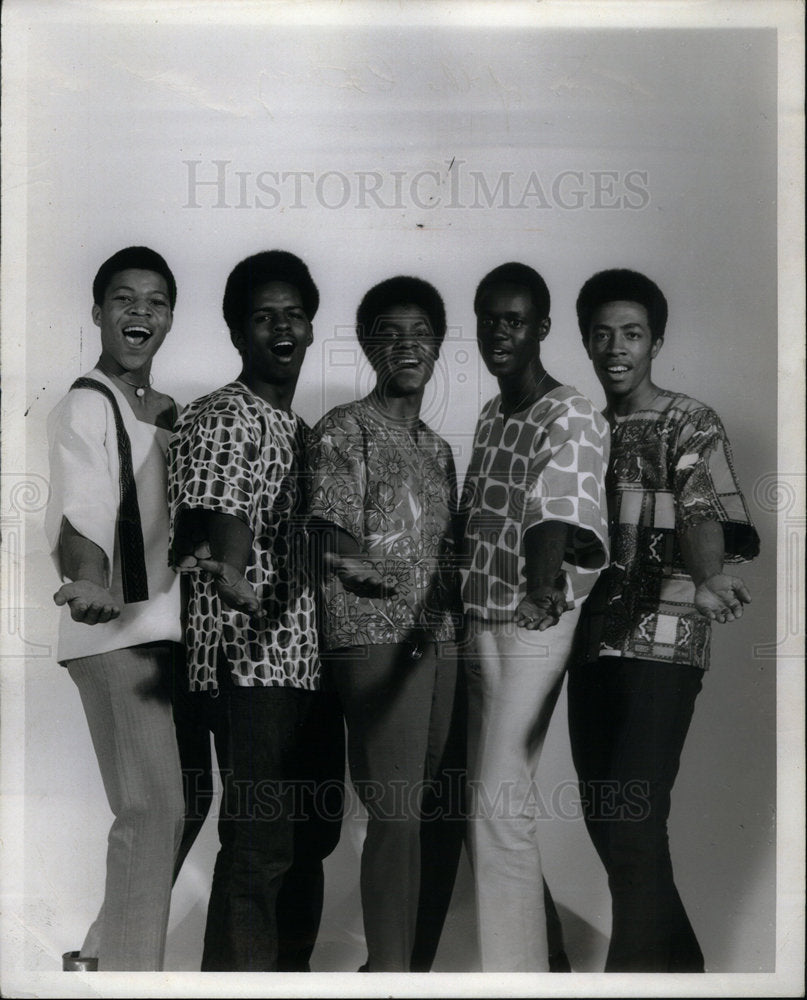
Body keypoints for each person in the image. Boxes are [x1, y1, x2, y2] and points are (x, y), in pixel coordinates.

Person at [568, 268, 761, 972]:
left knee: (632, 822)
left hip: (665, 642)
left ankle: (632, 983)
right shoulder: (581, 430)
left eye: (632, 334)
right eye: (603, 334)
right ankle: (681, 974)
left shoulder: (688, 419)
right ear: (585, 340)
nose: (616, 347)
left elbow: (702, 507)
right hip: (591, 647)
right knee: (607, 822)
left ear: (655, 342)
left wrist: (709, 575)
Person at [167, 249, 344, 972]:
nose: (281, 327)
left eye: (293, 315)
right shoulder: (221, 414)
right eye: (264, 316)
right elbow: (222, 514)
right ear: (238, 333)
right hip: (249, 663)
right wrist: (234, 569)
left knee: (312, 838)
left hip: (308, 665)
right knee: (261, 842)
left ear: (309, 329)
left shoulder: (302, 434)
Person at [307, 276, 466, 972]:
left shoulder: (437, 449)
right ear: (370, 346)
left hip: (438, 641)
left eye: (419, 332)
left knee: (427, 817)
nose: (407, 344)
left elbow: (450, 552)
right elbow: (322, 529)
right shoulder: (344, 428)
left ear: (437, 345)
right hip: (369, 636)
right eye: (390, 333)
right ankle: (391, 976)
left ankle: (397, 969)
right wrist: (353, 565)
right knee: (396, 815)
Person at [460, 262, 610, 972]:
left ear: (541, 329)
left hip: (534, 621)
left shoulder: (569, 411)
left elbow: (559, 509)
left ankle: (515, 981)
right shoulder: (493, 415)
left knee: (498, 803)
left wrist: (543, 588)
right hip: (478, 618)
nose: (499, 331)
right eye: (488, 317)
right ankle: (538, 965)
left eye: (513, 320)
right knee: (491, 804)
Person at [45, 246, 189, 971]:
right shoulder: (86, 401)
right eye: (124, 299)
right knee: (152, 811)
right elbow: (82, 510)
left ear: (168, 317)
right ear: (98, 312)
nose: (139, 311)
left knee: (177, 809)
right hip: (114, 638)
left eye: (154, 300)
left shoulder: (167, 413)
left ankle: (99, 958)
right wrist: (90, 579)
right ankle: (132, 983)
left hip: (169, 637)